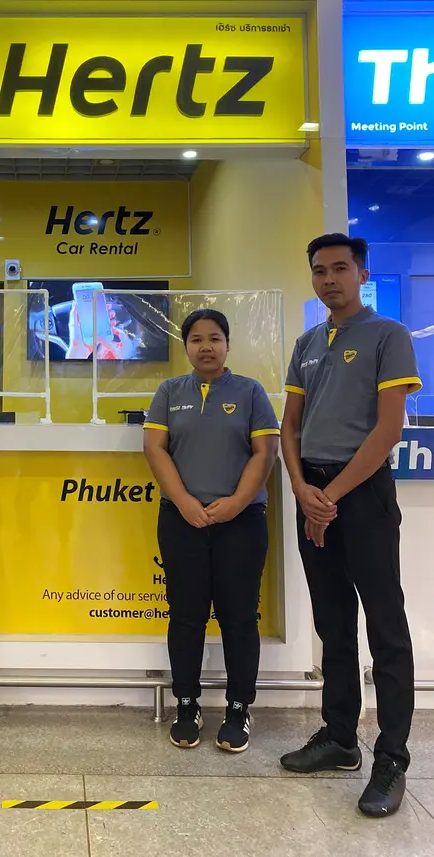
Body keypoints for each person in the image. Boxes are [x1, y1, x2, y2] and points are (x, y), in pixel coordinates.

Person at [279, 233, 420, 818]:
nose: (329, 279)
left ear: (362, 274)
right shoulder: (308, 343)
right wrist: (302, 489)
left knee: (385, 624)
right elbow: (290, 426)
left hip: (360, 496)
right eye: (320, 270)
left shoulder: (389, 335)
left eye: (340, 268)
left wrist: (329, 498)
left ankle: (392, 757)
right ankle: (340, 738)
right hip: (313, 491)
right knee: (333, 621)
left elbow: (389, 430)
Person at [143, 309, 280, 753]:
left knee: (239, 618)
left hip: (241, 522)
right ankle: (187, 705)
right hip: (181, 520)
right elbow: (155, 448)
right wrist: (184, 501)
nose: (206, 346)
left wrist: (236, 502)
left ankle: (239, 709)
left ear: (227, 344)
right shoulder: (169, 392)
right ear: (186, 346)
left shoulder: (250, 392)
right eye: (197, 339)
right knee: (186, 616)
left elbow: (265, 452)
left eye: (215, 338)